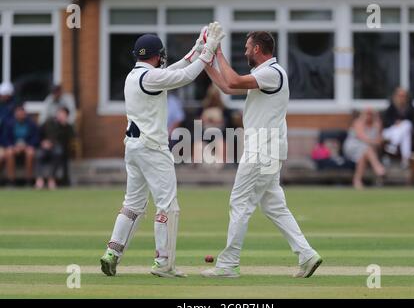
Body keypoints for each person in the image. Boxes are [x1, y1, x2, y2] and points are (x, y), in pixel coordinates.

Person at [100, 22, 225, 278]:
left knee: (132, 205)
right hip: (153, 149)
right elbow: (186, 76)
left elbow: (175, 70)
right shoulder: (153, 77)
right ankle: (163, 263)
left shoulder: (135, 75)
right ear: (157, 56)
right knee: (167, 206)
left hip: (133, 148)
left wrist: (198, 47)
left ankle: (112, 252)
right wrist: (209, 50)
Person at [201, 31, 322, 278]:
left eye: (246, 48)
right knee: (274, 206)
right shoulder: (263, 74)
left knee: (240, 203)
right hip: (268, 150)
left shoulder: (271, 73)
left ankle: (227, 265)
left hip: (261, 150)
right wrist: (205, 60)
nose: (245, 52)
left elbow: (233, 81)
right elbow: (226, 87)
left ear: (257, 49)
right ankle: (307, 255)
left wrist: (219, 52)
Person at [343, 108, 386, 189]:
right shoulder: (358, 123)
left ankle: (357, 180)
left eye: (371, 114)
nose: (369, 116)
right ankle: (378, 168)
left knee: (363, 155)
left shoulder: (376, 124)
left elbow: (379, 140)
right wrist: (374, 142)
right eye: (367, 114)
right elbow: (362, 137)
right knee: (366, 149)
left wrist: (378, 125)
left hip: (367, 150)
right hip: (353, 146)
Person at [35, 107, 75, 190]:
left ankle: (51, 179)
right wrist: (43, 142)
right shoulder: (48, 123)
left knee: (58, 153)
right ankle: (39, 179)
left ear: (67, 116)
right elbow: (39, 134)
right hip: (45, 147)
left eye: (63, 114)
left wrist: (64, 126)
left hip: (58, 148)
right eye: (60, 113)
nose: (61, 115)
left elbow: (70, 139)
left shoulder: (67, 127)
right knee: (39, 154)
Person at [2, 105, 39, 186]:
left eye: (22, 112)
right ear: (15, 114)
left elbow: (35, 138)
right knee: (9, 153)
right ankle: (11, 180)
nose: (20, 114)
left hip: (27, 146)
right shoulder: (9, 124)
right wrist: (12, 146)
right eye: (18, 112)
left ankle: (28, 180)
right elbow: (4, 138)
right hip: (13, 147)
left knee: (30, 153)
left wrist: (28, 145)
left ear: (25, 113)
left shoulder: (31, 124)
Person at [381, 87, 414, 168]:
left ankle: (393, 145)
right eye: (399, 96)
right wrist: (395, 123)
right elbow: (385, 122)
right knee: (405, 129)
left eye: (403, 96)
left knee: (407, 125)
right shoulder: (391, 107)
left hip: (403, 132)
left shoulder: (411, 109)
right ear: (395, 96)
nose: (401, 98)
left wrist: (402, 123)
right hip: (390, 132)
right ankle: (405, 159)